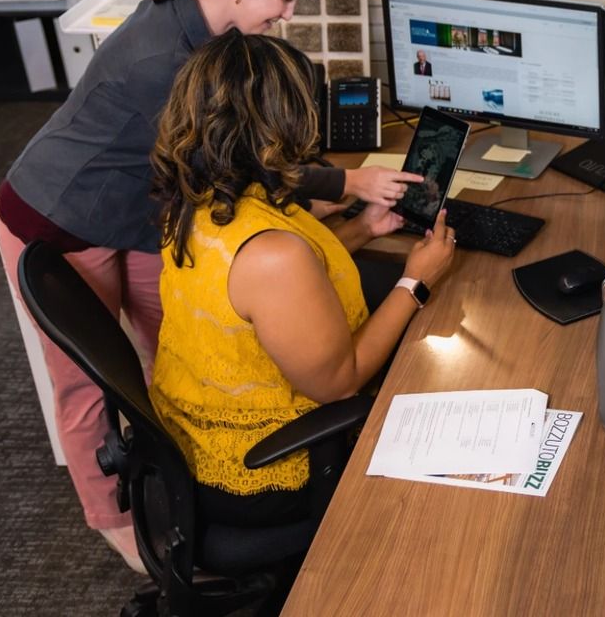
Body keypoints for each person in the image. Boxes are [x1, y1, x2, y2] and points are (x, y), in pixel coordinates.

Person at [0, 0, 418, 569]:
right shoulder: (163, 61)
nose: (287, 14)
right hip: (60, 212)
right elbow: (232, 158)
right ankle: (120, 526)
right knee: (90, 381)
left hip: (145, 205)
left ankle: (199, 475)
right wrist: (345, 185)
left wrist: (347, 196)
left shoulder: (209, 35)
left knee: (190, 338)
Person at [149, 33, 457, 527]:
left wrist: (362, 228)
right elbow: (339, 383)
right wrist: (415, 282)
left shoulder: (200, 194)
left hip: (189, 421)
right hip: (267, 469)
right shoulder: (273, 255)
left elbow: (263, 295)